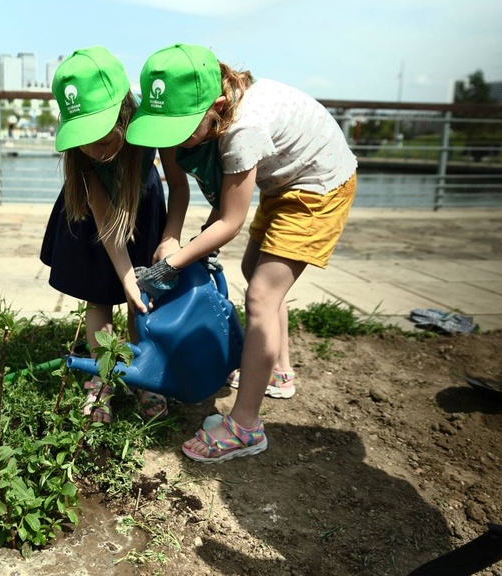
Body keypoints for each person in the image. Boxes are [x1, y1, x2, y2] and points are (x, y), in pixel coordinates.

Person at [126, 43, 357, 462]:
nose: (170, 142)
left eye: (179, 128)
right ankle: (279, 371)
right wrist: (177, 241)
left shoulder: (241, 130)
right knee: (256, 271)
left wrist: (171, 262)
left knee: (262, 295)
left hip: (318, 185)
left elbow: (229, 222)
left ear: (216, 106)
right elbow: (216, 200)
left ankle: (246, 426)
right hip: (284, 178)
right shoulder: (216, 117)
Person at [40, 46, 189, 423]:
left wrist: (170, 237)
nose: (95, 150)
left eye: (105, 140)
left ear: (125, 114)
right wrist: (125, 277)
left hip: (143, 199)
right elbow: (107, 225)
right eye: (84, 140)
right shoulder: (84, 161)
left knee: (142, 301)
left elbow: (179, 187)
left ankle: (143, 375)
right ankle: (101, 376)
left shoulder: (154, 121)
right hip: (95, 216)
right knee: (99, 296)